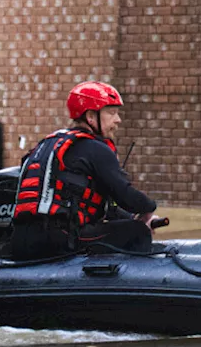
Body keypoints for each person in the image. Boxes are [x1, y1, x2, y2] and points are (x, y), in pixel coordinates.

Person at [10, 81, 162, 260]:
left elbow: (97, 206)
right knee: (137, 231)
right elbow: (126, 196)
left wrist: (133, 216)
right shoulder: (94, 148)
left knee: (126, 224)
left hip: (20, 241)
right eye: (111, 113)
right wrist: (148, 210)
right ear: (91, 116)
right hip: (60, 240)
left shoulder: (47, 144)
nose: (118, 120)